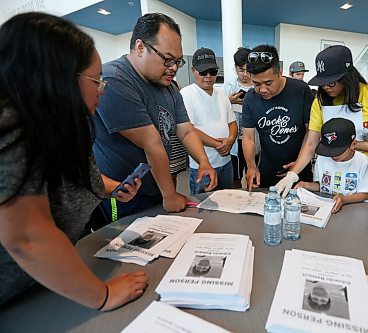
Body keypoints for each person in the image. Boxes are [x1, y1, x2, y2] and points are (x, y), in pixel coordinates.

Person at [0, 13, 147, 309]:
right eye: (96, 81)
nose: (101, 91)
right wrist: (103, 296)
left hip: (39, 285)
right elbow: (26, 234)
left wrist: (112, 187)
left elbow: (72, 179)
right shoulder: (12, 127)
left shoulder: (62, 126)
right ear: (58, 79)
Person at [92, 13, 217, 221]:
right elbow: (152, 143)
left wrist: (203, 161)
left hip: (154, 188)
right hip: (121, 195)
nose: (174, 68)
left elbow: (185, 130)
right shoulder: (115, 79)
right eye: (167, 60)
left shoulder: (168, 87)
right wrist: (169, 195)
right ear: (140, 47)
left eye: (178, 62)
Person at [276, 45, 368, 196]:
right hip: (328, 167)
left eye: (332, 82)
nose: (326, 87)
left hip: (360, 168)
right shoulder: (320, 102)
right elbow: (311, 144)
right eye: (322, 82)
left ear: (347, 76)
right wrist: (292, 175)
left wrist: (345, 146)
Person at [242, 45, 314, 190]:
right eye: (256, 84)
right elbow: (248, 137)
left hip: (299, 169)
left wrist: (299, 164)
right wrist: (251, 166)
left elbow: (310, 132)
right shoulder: (250, 98)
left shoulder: (300, 90)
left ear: (280, 72)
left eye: (268, 83)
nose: (262, 89)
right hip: (267, 170)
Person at [180, 47, 237, 194]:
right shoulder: (187, 94)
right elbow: (189, 130)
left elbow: (232, 123)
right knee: (204, 209)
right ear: (193, 70)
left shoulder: (222, 93)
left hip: (226, 163)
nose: (208, 76)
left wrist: (230, 140)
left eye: (213, 72)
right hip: (203, 165)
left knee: (227, 205)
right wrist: (219, 144)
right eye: (203, 72)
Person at [295, 118, 368, 213]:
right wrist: (305, 185)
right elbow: (321, 185)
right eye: (328, 150)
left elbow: (365, 194)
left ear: (353, 144)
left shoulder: (362, 162)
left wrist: (344, 199)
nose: (332, 155)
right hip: (328, 209)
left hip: (354, 209)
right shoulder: (322, 158)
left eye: (338, 151)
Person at [223, 47, 260, 188]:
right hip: (235, 136)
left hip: (254, 136)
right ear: (235, 68)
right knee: (235, 173)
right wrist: (229, 101)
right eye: (241, 70)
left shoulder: (259, 85)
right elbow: (219, 108)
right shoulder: (228, 86)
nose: (245, 74)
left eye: (248, 70)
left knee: (254, 169)